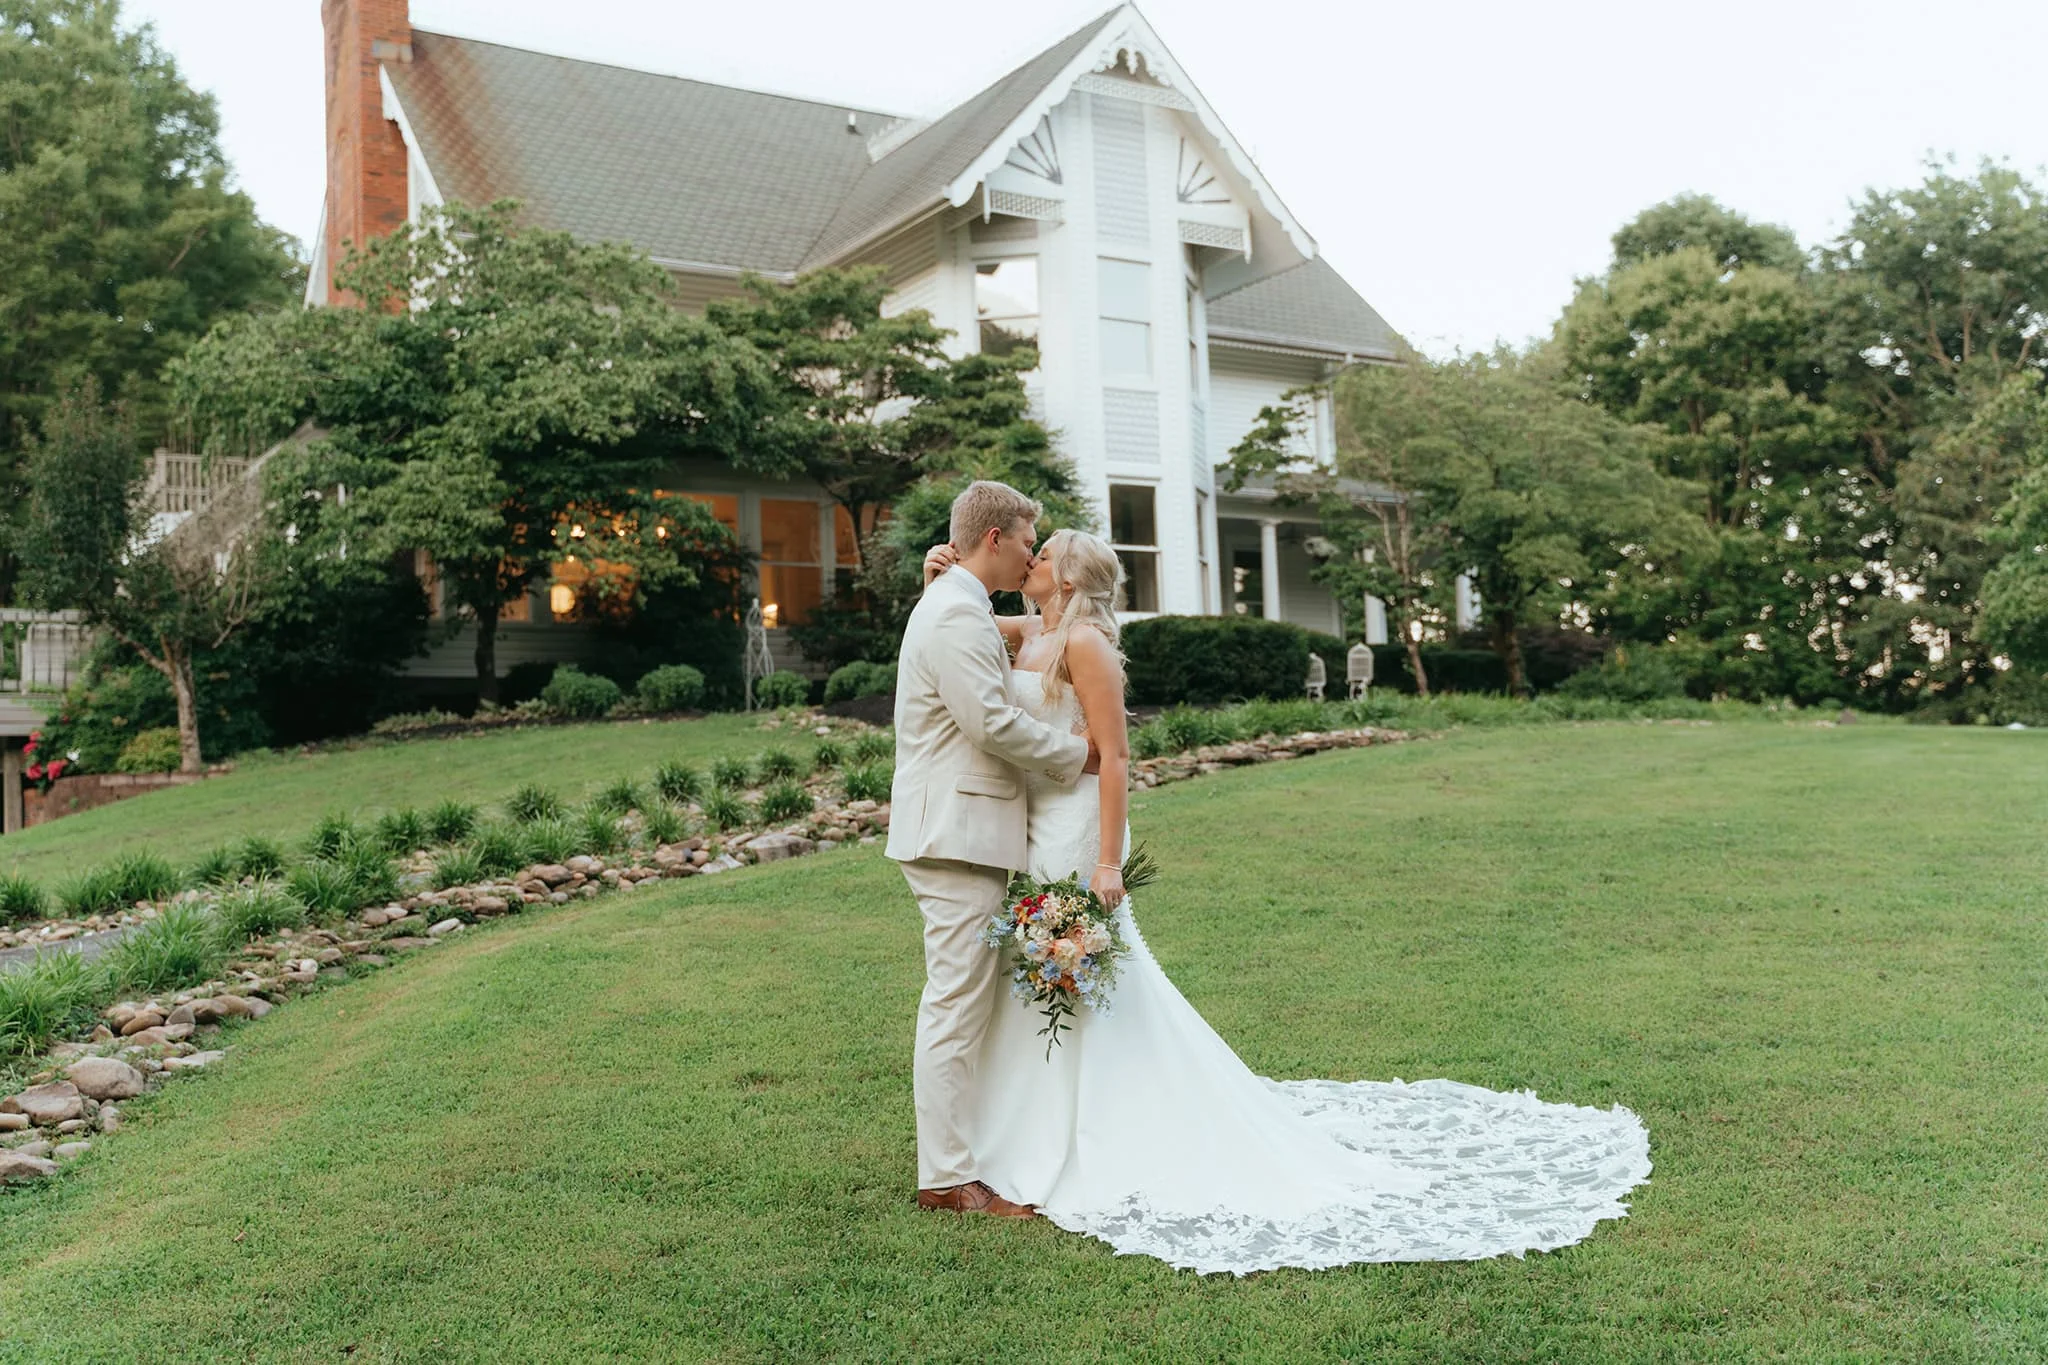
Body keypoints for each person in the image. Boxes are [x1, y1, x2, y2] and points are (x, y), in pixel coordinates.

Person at [917, 530, 1654, 1275]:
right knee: (1043, 970)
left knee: (1091, 970)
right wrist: (944, 573)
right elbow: (971, 615)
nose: (1031, 561)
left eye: (1042, 556)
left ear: (1069, 578)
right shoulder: (1031, 630)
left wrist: (1108, 859)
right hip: (1035, 823)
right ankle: (1024, 1130)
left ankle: (1108, 1124)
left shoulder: (1087, 646)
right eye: (1028, 551)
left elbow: (1117, 760)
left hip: (1077, 825)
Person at [886, 480, 1094, 1217]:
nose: (1033, 554)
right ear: (996, 539)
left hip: (960, 830)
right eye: (1027, 541)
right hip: (954, 833)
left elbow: (1015, 643)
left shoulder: (958, 604)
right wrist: (1080, 755)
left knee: (965, 1001)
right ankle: (947, 1178)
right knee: (955, 1005)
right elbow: (992, 726)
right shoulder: (954, 614)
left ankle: (964, 1156)